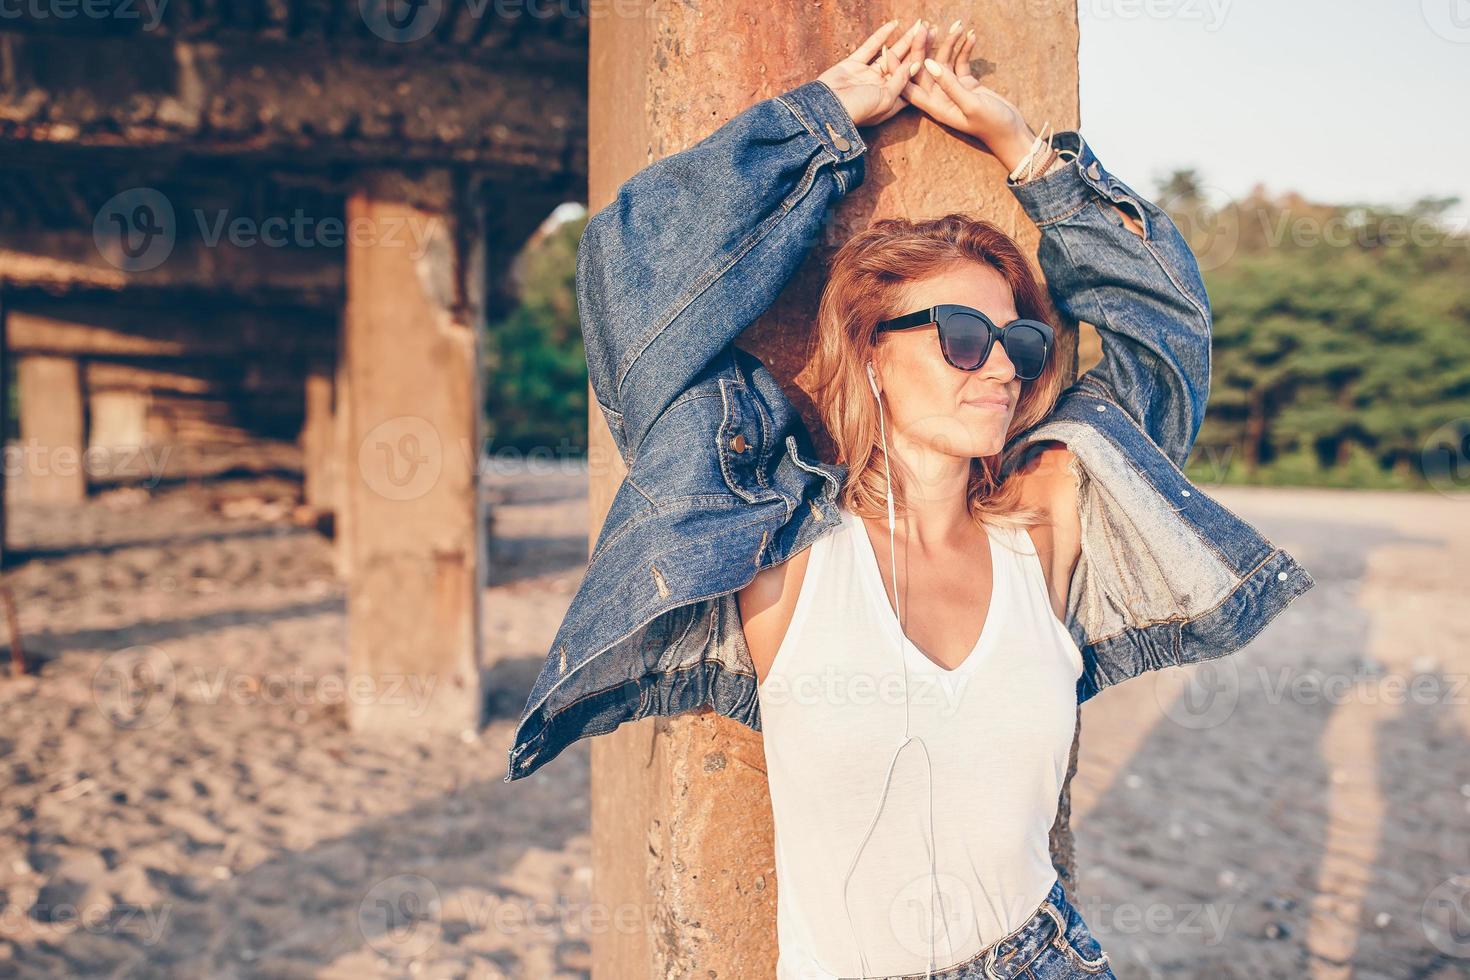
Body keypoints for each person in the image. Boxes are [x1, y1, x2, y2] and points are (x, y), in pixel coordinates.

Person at [504, 14, 1316, 980]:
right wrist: (820, 123)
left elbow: (1164, 339)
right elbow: (630, 280)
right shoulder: (776, 531)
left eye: (1019, 347)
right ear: (871, 352)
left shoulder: (1044, 524)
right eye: (963, 336)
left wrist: (1034, 158)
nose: (1001, 370)